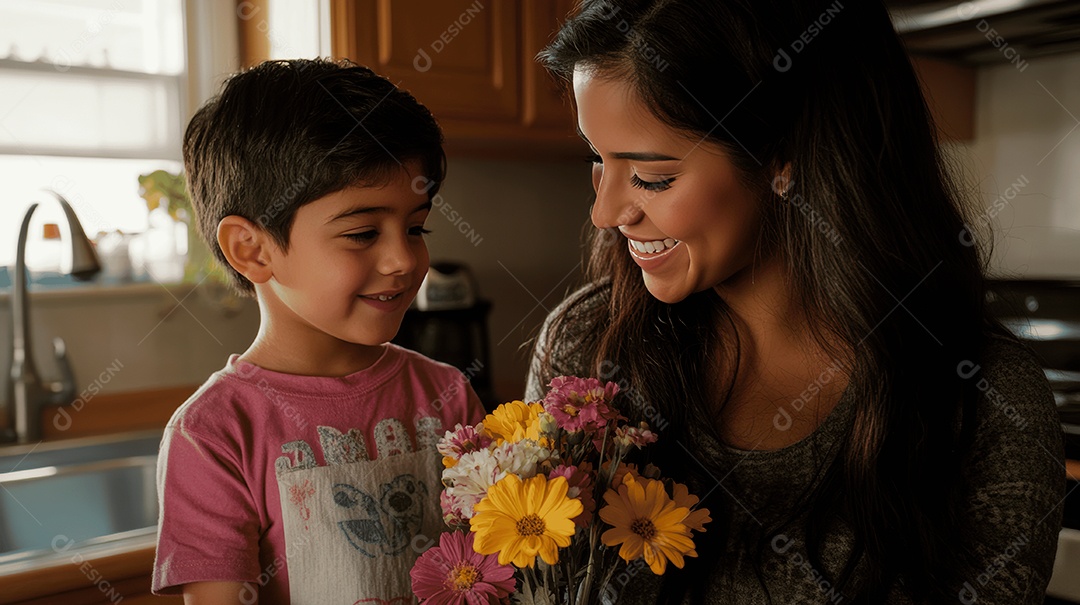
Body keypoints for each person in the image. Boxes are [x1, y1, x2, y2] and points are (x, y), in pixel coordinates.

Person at [526, 1, 1065, 603]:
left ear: (786, 160)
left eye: (653, 177)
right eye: (597, 159)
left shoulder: (987, 400)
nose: (604, 214)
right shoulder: (584, 345)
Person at [152, 59, 485, 604]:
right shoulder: (214, 434)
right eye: (361, 233)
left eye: (417, 227)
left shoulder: (448, 395)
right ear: (251, 249)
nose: (404, 259)